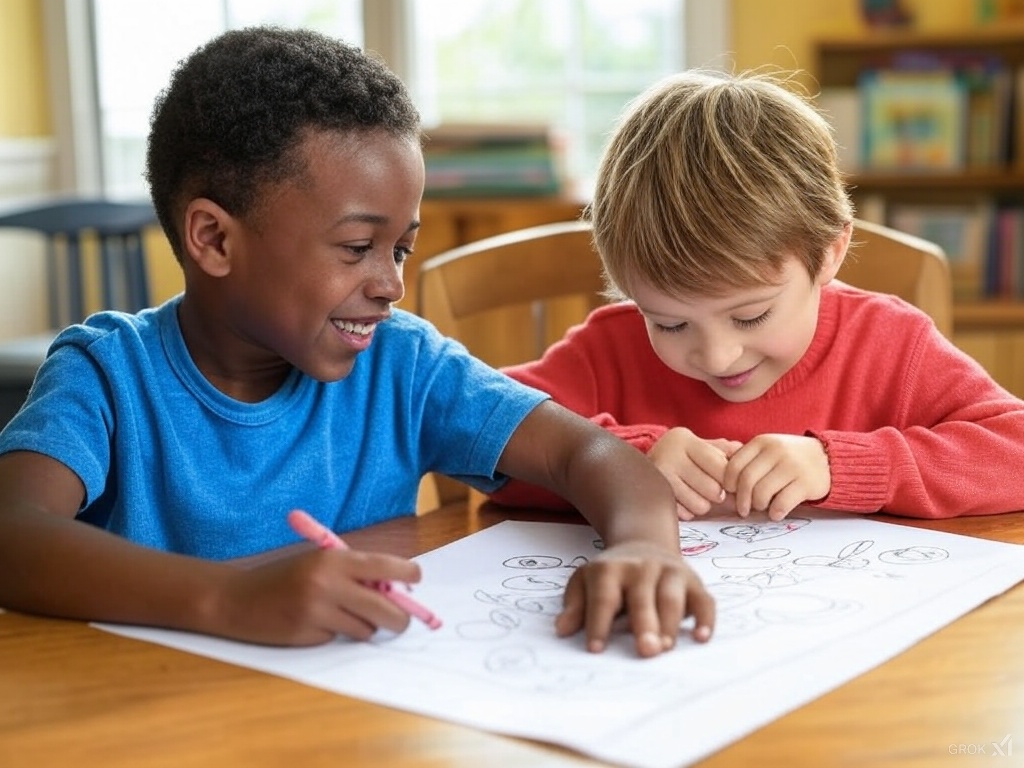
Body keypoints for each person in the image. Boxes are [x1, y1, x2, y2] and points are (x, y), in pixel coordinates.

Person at [0, 27, 714, 658]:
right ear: (215, 239)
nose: (390, 285)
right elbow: (12, 532)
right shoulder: (106, 375)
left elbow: (586, 450)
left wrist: (646, 549)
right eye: (355, 247)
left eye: (400, 249)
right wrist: (229, 600)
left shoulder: (401, 365)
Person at [491, 68, 1024, 522]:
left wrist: (840, 466)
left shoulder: (890, 345)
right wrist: (613, 460)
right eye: (670, 324)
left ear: (831, 252)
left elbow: (1015, 451)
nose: (717, 356)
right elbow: (474, 431)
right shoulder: (610, 349)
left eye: (750, 316)